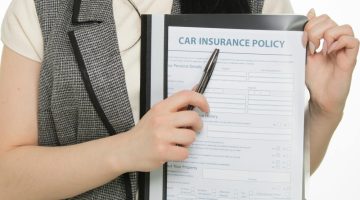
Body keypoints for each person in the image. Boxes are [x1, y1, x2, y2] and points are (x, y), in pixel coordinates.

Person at [0, 0, 358, 199]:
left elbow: (266, 176)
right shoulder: (41, 8)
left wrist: (326, 111)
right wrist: (126, 150)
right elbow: (7, 177)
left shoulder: (264, 6)